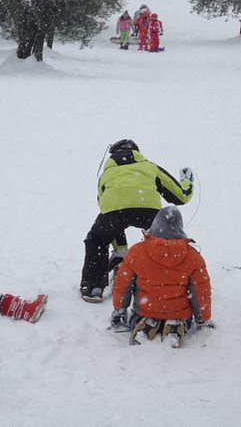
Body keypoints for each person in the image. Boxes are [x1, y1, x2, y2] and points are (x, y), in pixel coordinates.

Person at [80, 139, 194, 303]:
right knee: (164, 241)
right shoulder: (149, 166)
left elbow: (104, 205)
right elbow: (181, 196)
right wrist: (187, 180)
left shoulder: (107, 173)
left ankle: (93, 286)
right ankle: (174, 281)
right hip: (148, 210)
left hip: (114, 211)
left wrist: (120, 248)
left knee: (97, 239)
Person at [111, 206, 213, 348]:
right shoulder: (193, 257)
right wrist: (203, 318)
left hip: (144, 309)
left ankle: (147, 322)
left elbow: (123, 285)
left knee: (138, 317)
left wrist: (119, 309)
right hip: (179, 312)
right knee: (183, 319)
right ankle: (175, 324)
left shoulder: (137, 251)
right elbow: (200, 292)